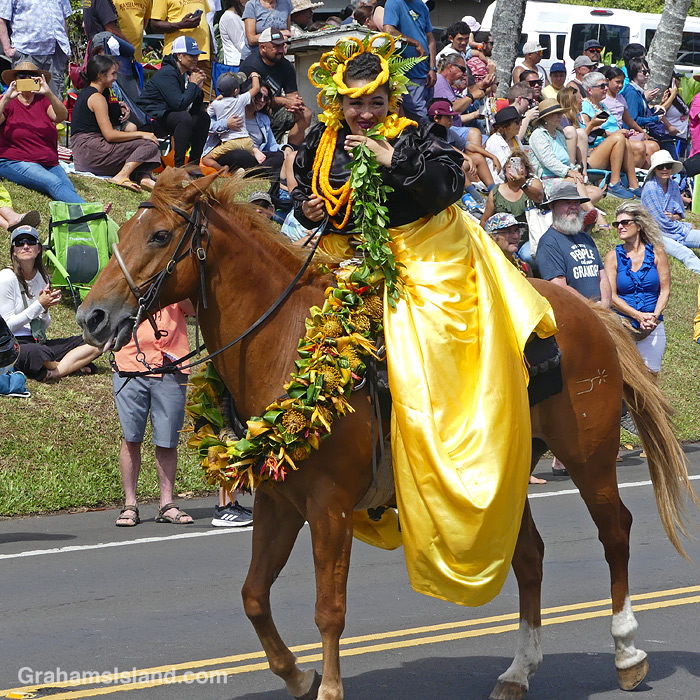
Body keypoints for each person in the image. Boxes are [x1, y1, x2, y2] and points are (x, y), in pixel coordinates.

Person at [288, 34, 557, 601]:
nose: (365, 112)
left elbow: (447, 187)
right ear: (337, 101)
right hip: (340, 252)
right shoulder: (322, 136)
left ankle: (448, 447)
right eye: (354, 102)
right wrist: (303, 205)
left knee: (433, 337)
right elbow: (299, 191)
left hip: (420, 249)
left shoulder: (415, 135)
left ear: (391, 99)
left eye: (376, 102)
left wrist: (391, 159)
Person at [536, 181, 610, 476]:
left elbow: (602, 274)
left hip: (599, 319)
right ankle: (561, 454)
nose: (573, 207)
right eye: (566, 203)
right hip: (572, 327)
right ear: (552, 208)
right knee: (574, 390)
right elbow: (559, 288)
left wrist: (605, 305)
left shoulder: (585, 238)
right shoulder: (549, 243)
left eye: (576, 203)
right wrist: (594, 312)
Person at [112, 302, 195, 527]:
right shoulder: (131, 280)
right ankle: (130, 504)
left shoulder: (176, 283)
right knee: (131, 438)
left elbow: (194, 309)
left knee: (168, 440)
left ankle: (166, 504)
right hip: (130, 363)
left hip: (171, 365)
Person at [0, 226, 101, 382]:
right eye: (20, 243)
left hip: (38, 340)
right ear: (14, 251)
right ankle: (68, 365)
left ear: (39, 248)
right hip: (14, 345)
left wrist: (45, 310)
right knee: (38, 353)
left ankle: (55, 369)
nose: (25, 246)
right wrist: (39, 305)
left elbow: (44, 326)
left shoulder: (43, 277)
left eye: (30, 242)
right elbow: (8, 327)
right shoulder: (6, 278)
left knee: (96, 339)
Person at [71, 55, 161, 192]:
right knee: (149, 145)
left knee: (142, 147)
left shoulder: (93, 94)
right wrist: (143, 134)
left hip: (85, 154)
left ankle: (144, 177)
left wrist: (120, 106)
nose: (115, 78)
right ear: (100, 75)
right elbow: (110, 135)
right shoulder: (97, 97)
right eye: (113, 74)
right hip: (90, 151)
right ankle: (122, 176)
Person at [0, 62, 85, 203]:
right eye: (22, 76)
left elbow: (61, 116)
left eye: (32, 75)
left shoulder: (43, 101)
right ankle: (94, 214)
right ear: (15, 80)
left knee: (68, 189)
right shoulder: (7, 102)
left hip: (49, 161)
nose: (27, 78)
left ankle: (80, 219)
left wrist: (49, 93)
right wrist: (7, 97)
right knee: (53, 182)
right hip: (15, 160)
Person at [604, 202, 670, 375]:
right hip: (623, 326)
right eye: (617, 224)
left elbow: (665, 290)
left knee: (650, 378)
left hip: (653, 325)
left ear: (639, 225)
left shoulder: (657, 252)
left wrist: (653, 316)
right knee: (624, 378)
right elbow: (612, 297)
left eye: (625, 222)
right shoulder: (612, 257)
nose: (620, 227)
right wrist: (638, 316)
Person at [137, 36, 210, 169]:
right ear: (180, 56)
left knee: (202, 117)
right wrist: (193, 85)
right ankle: (179, 167)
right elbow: (178, 105)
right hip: (148, 119)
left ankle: (193, 165)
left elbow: (194, 109)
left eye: (197, 55)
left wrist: (198, 88)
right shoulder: (168, 73)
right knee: (183, 118)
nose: (196, 59)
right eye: (192, 56)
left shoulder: (184, 74)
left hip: (166, 116)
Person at [528, 98, 604, 214]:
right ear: (546, 118)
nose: (560, 116)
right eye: (555, 114)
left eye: (560, 113)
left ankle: (573, 211)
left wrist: (575, 171)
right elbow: (548, 161)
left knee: (597, 192)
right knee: (576, 182)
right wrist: (569, 172)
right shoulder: (538, 135)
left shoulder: (559, 134)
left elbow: (566, 160)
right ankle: (595, 217)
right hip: (547, 182)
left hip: (564, 178)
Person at [239, 28, 311, 147]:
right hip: (253, 111)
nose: (280, 50)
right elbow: (250, 99)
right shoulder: (251, 66)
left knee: (305, 113)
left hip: (274, 109)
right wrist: (283, 101)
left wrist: (296, 103)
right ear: (263, 48)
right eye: (275, 47)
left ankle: (292, 150)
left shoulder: (286, 65)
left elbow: (292, 95)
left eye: (282, 46)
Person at [579, 71, 642, 199]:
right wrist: (612, 133)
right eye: (602, 86)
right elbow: (584, 135)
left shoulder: (602, 106)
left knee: (625, 140)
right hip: (591, 154)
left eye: (606, 85)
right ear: (590, 90)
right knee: (619, 138)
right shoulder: (585, 106)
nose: (606, 88)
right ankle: (614, 183)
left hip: (608, 148)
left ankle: (633, 184)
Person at [641, 150, 700, 275]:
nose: (664, 169)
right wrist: (686, 226)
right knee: (686, 253)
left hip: (675, 229)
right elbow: (660, 222)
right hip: (655, 234)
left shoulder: (673, 185)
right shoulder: (650, 188)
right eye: (660, 167)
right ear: (654, 169)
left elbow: (679, 214)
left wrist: (674, 217)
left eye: (668, 166)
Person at [0, 0, 71, 98]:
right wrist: (7, 48)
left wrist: (65, 47)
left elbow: (64, 19)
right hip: (26, 52)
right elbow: (2, 18)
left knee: (54, 99)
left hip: (55, 53)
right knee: (26, 99)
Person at [383, 0, 436, 125]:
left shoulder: (422, 5)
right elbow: (388, 30)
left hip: (426, 72)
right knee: (421, 119)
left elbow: (430, 37)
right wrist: (414, 43)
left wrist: (433, 68)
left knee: (431, 115)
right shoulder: (394, 3)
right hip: (407, 75)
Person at [150, 0, 213, 97]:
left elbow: (205, 22)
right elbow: (154, 25)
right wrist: (181, 25)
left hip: (202, 53)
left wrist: (212, 52)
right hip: (179, 57)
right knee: (179, 96)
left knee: (206, 98)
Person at [601, 65, 659, 169]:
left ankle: (644, 178)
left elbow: (629, 120)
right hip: (609, 136)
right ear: (608, 80)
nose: (620, 85)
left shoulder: (621, 98)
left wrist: (642, 132)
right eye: (617, 82)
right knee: (640, 147)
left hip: (622, 134)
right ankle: (630, 177)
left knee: (653, 146)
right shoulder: (602, 99)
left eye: (622, 82)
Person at [202, 70, 262, 170]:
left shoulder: (216, 104)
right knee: (246, 152)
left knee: (206, 159)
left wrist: (217, 100)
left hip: (230, 142)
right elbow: (256, 88)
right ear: (235, 91)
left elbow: (207, 114)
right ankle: (254, 151)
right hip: (247, 141)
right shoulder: (240, 100)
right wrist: (254, 75)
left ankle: (222, 170)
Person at [480, 148, 543, 229]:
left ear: (526, 171)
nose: (515, 170)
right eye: (510, 167)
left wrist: (523, 184)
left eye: (520, 167)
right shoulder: (496, 191)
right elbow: (485, 220)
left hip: (531, 236)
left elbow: (538, 198)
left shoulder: (533, 183)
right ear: (505, 171)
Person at [484, 106, 523, 185]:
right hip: (502, 182)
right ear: (506, 126)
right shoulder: (494, 141)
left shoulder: (515, 139)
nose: (521, 124)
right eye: (517, 122)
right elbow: (500, 170)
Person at [219, 0, 249, 66]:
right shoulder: (230, 17)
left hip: (244, 62)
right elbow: (241, 45)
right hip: (235, 64)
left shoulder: (244, 14)